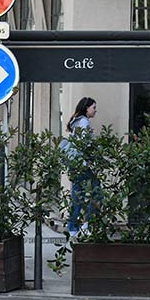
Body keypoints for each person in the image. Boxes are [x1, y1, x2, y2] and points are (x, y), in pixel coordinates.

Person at [66, 97, 98, 237]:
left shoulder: (76, 121)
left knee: (76, 196)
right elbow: (85, 144)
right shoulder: (84, 122)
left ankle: (72, 227)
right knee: (97, 194)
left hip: (75, 164)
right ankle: (87, 225)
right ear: (87, 108)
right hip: (83, 165)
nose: (95, 110)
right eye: (94, 108)